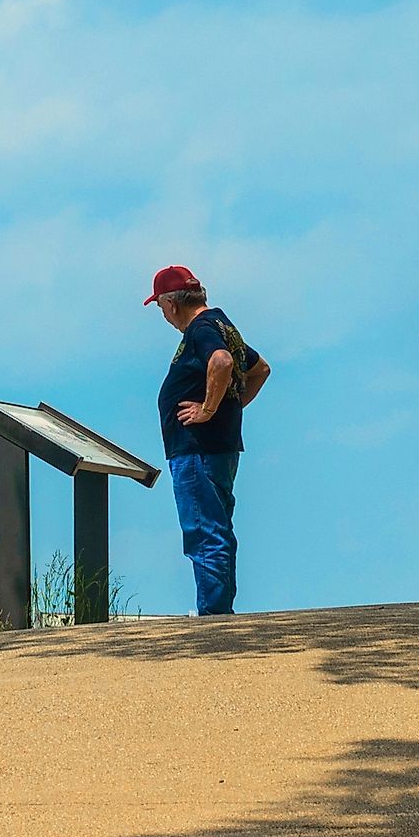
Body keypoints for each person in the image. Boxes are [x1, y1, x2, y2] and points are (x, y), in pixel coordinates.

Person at [145, 264, 269, 615]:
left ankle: (214, 615)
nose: (163, 315)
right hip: (218, 446)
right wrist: (231, 405)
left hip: (198, 449)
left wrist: (209, 409)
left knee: (203, 532)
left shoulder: (201, 329)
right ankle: (218, 609)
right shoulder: (221, 325)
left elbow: (222, 361)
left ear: (171, 303)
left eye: (160, 307)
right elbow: (259, 369)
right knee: (217, 528)